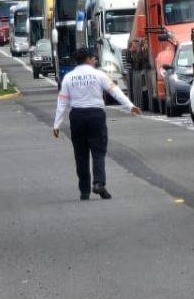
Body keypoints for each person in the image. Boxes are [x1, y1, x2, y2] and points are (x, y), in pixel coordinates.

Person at [52, 47, 140, 200]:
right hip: (96, 116)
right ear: (87, 59)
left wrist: (56, 124)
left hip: (77, 116)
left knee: (81, 155)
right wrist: (130, 106)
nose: (95, 60)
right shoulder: (99, 75)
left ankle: (84, 190)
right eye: (94, 58)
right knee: (98, 152)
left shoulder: (69, 77)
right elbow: (115, 92)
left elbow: (62, 101)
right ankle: (99, 183)